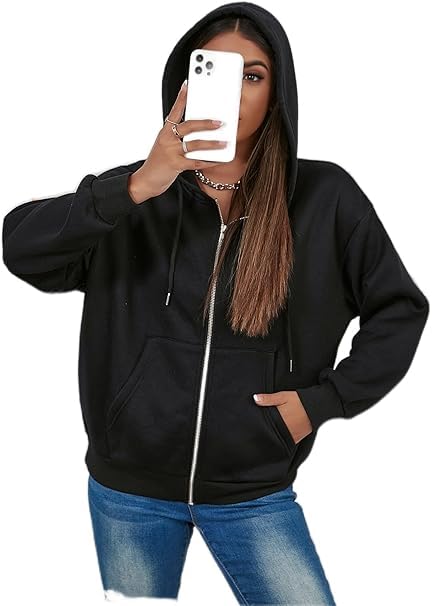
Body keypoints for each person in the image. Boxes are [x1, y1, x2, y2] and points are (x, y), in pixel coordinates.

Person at [2, 2, 429, 604]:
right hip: (129, 491)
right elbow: (21, 247)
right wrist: (137, 186)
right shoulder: (135, 194)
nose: (232, 91)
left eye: (252, 75)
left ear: (277, 94)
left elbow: (400, 308)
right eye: (214, 72)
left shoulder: (325, 197)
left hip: (253, 489)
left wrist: (322, 402)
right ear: (185, 85)